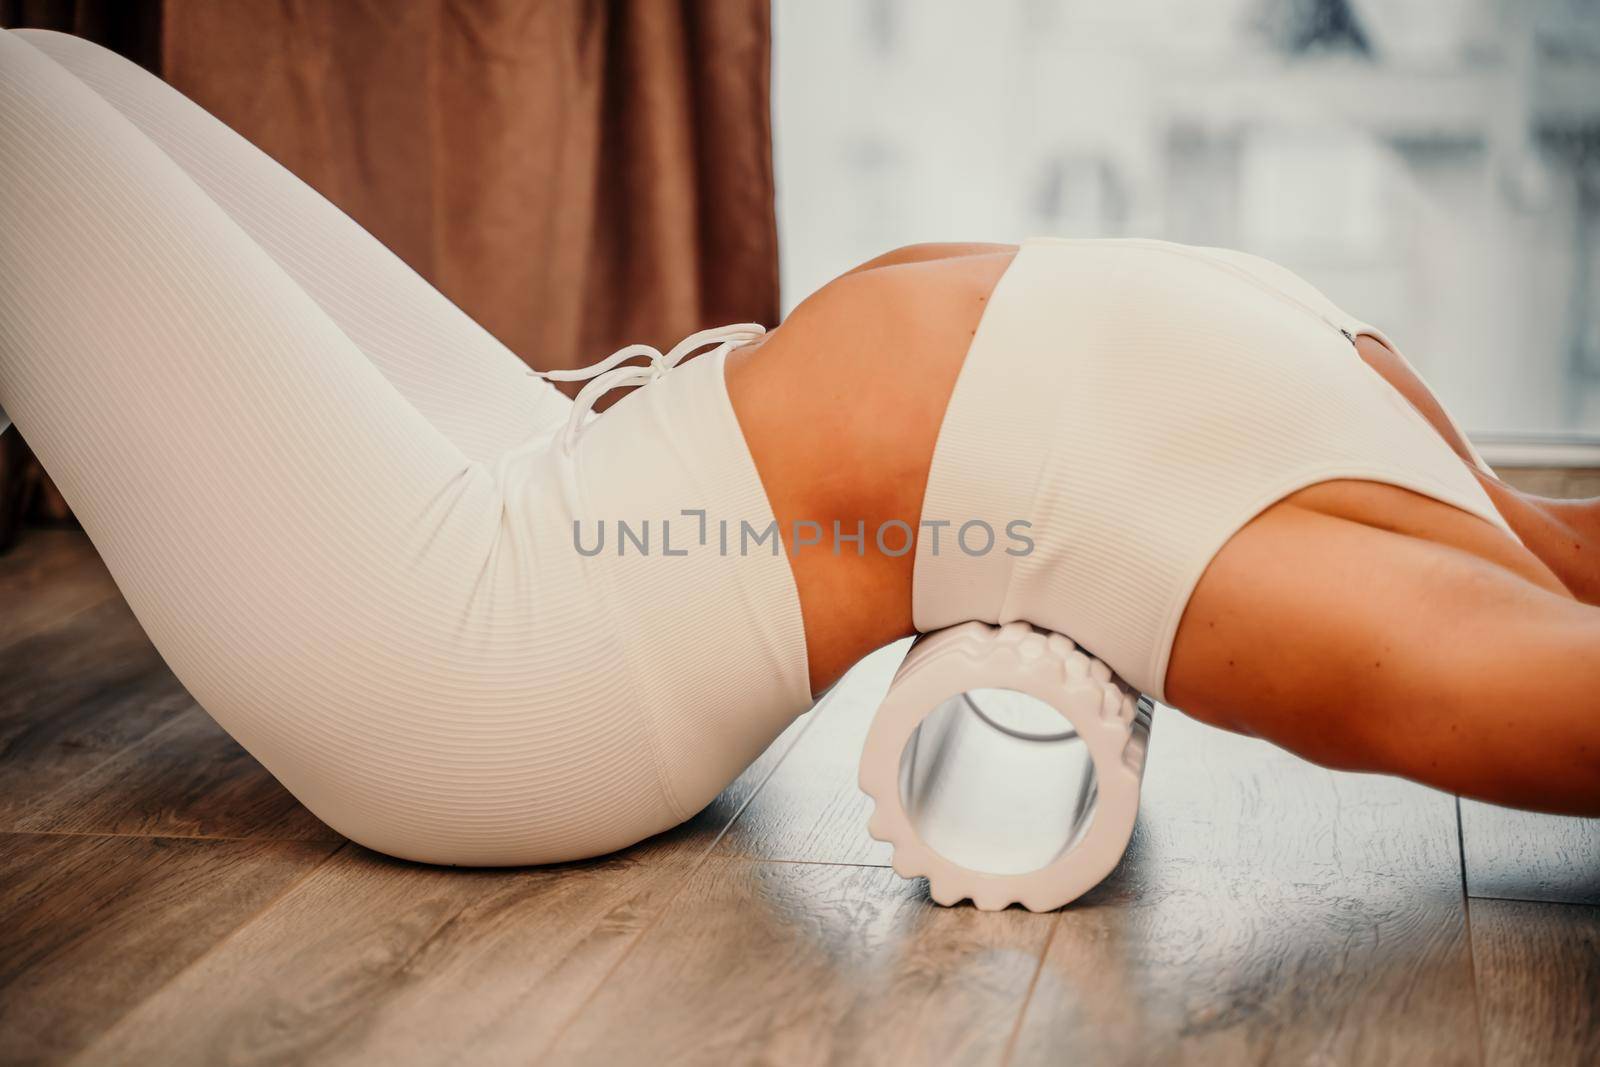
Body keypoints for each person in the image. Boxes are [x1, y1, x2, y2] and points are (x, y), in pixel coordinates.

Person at [1, 29, 1594, 868]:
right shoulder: (1465, 485)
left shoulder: (1376, 588)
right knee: (65, 77)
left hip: (517, 643)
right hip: (569, 468)